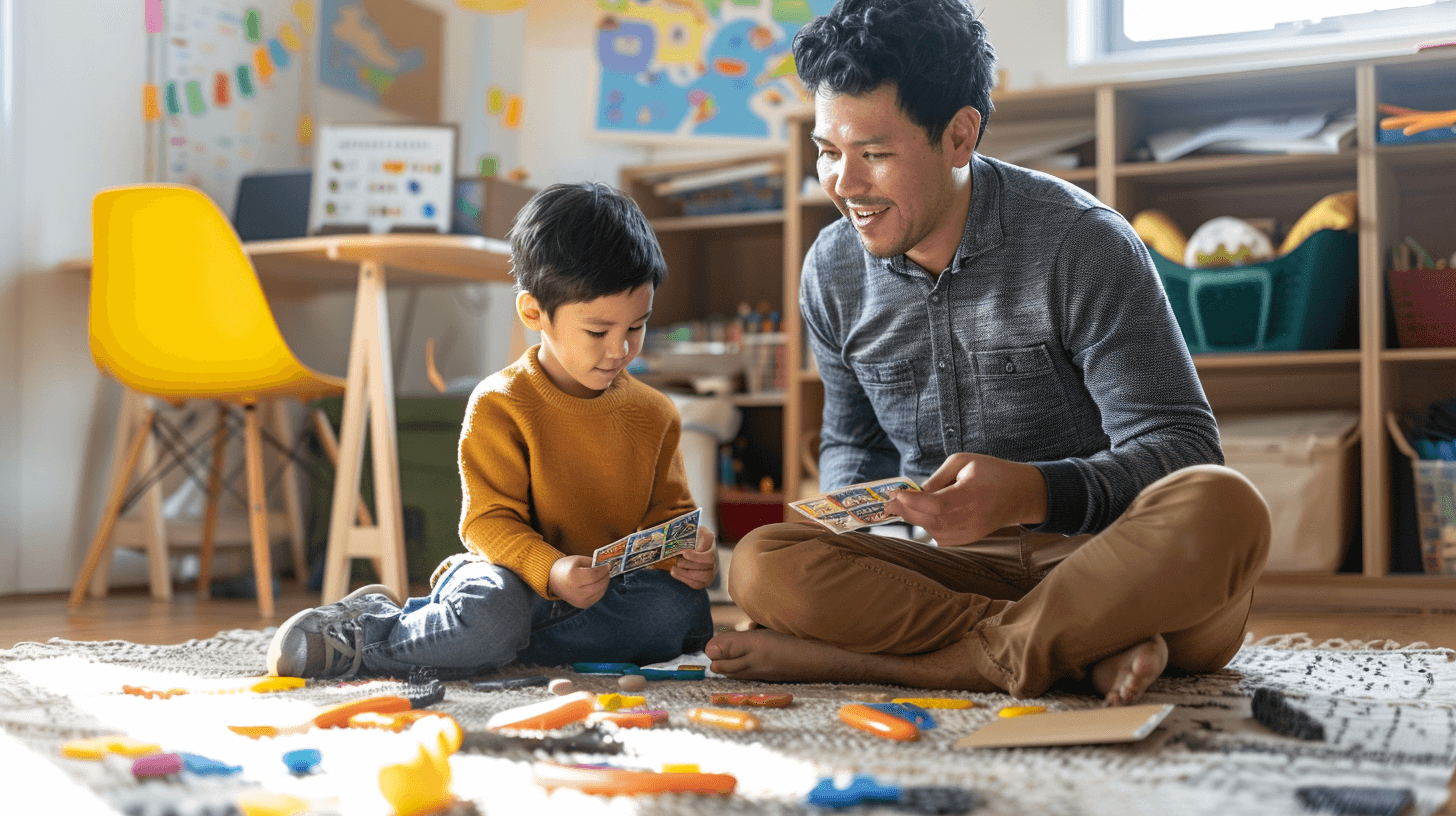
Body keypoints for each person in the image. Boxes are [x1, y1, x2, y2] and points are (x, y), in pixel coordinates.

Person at [705, 0, 1271, 705]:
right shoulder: (831, 269)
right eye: (827, 151)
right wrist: (861, 523)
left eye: (874, 155)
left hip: (1115, 566)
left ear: (959, 135)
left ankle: (931, 667)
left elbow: (1183, 449)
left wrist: (1034, 492)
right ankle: (1061, 651)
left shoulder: (1082, 243)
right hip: (949, 576)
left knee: (1224, 505)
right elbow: (853, 443)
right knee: (762, 564)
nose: (844, 185)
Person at [267, 181, 717, 679]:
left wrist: (687, 554)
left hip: (599, 594)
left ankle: (471, 644)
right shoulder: (501, 403)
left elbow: (669, 518)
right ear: (533, 313)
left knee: (678, 612)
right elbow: (486, 524)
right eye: (598, 332)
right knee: (493, 616)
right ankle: (373, 633)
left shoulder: (655, 414)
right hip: (509, 581)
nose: (620, 350)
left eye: (636, 327)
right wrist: (551, 570)